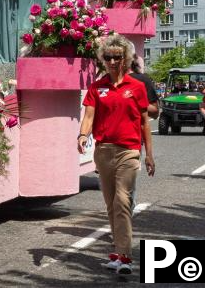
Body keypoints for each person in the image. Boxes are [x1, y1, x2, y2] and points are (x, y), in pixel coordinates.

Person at [78, 34, 155, 275]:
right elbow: (89, 116)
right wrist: (82, 135)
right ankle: (119, 249)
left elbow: (144, 123)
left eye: (117, 57)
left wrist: (149, 154)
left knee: (123, 201)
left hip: (129, 152)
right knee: (111, 205)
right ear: (103, 59)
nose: (112, 61)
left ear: (126, 59)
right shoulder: (96, 87)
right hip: (104, 151)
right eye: (108, 57)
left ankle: (125, 256)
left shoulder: (137, 87)